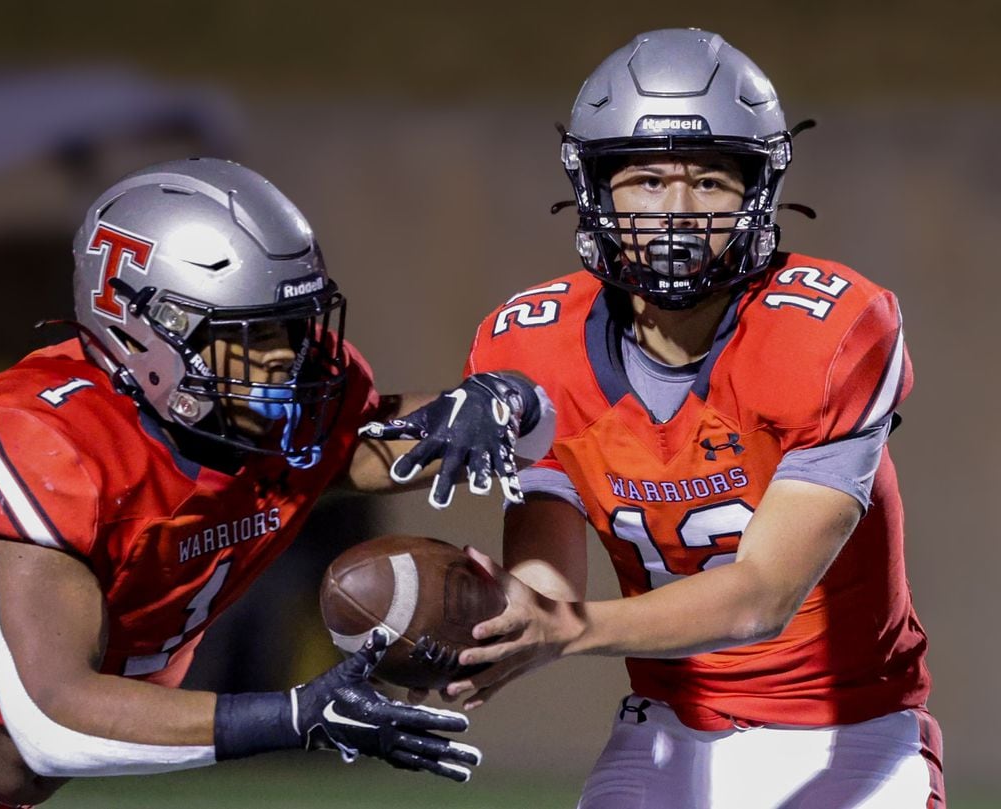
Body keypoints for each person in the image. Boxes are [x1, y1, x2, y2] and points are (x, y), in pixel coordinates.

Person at [0, 158, 555, 807]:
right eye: (254, 336)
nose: (289, 361)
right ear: (144, 333)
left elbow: (390, 441)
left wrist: (503, 401)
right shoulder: (51, 436)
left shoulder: (276, 411)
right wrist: (294, 715)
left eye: (297, 329)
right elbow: (53, 713)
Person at [392, 29, 944, 808]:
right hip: (670, 726)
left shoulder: (831, 330)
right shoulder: (530, 346)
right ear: (597, 190)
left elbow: (760, 595)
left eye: (711, 181)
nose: (677, 213)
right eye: (647, 181)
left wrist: (564, 625)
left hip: (851, 729)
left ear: (758, 192)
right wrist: (507, 625)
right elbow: (548, 565)